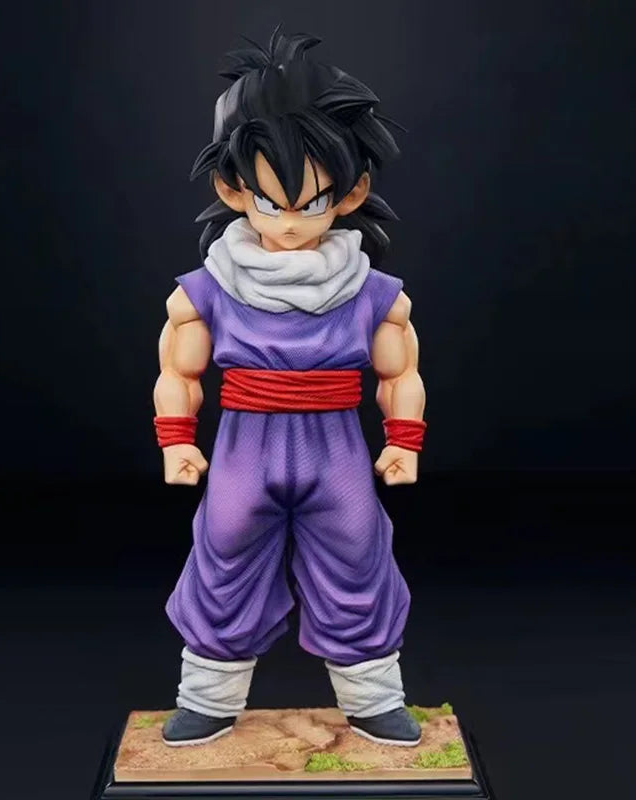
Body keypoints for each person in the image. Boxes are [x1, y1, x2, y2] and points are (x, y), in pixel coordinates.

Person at [152, 27, 427, 748]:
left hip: (336, 450)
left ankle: (373, 697)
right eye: (273, 203)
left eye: (313, 201)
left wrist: (404, 441)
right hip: (245, 447)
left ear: (352, 192)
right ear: (233, 190)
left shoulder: (373, 292)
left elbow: (400, 371)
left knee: (358, 556)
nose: (294, 221)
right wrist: (176, 440)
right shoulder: (208, 289)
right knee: (224, 555)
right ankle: (208, 696)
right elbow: (178, 369)